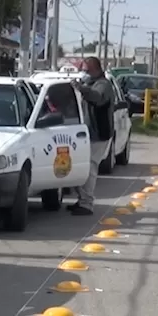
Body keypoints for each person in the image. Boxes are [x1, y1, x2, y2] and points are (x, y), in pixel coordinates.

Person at [68, 56, 116, 216]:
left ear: (95, 69)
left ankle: (87, 204)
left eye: (86, 70)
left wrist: (81, 88)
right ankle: (82, 199)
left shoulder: (103, 85)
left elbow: (97, 98)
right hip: (85, 135)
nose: (84, 73)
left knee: (90, 167)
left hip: (98, 134)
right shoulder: (89, 84)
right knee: (81, 168)